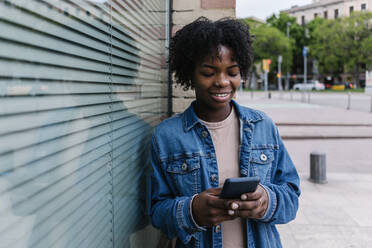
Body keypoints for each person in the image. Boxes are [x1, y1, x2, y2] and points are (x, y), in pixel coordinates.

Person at [148, 17, 300, 248]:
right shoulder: (166, 136)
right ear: (190, 74)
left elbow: (291, 197)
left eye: (232, 72)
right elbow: (157, 212)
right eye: (209, 72)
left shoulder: (263, 127)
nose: (222, 81)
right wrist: (192, 211)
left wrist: (266, 201)